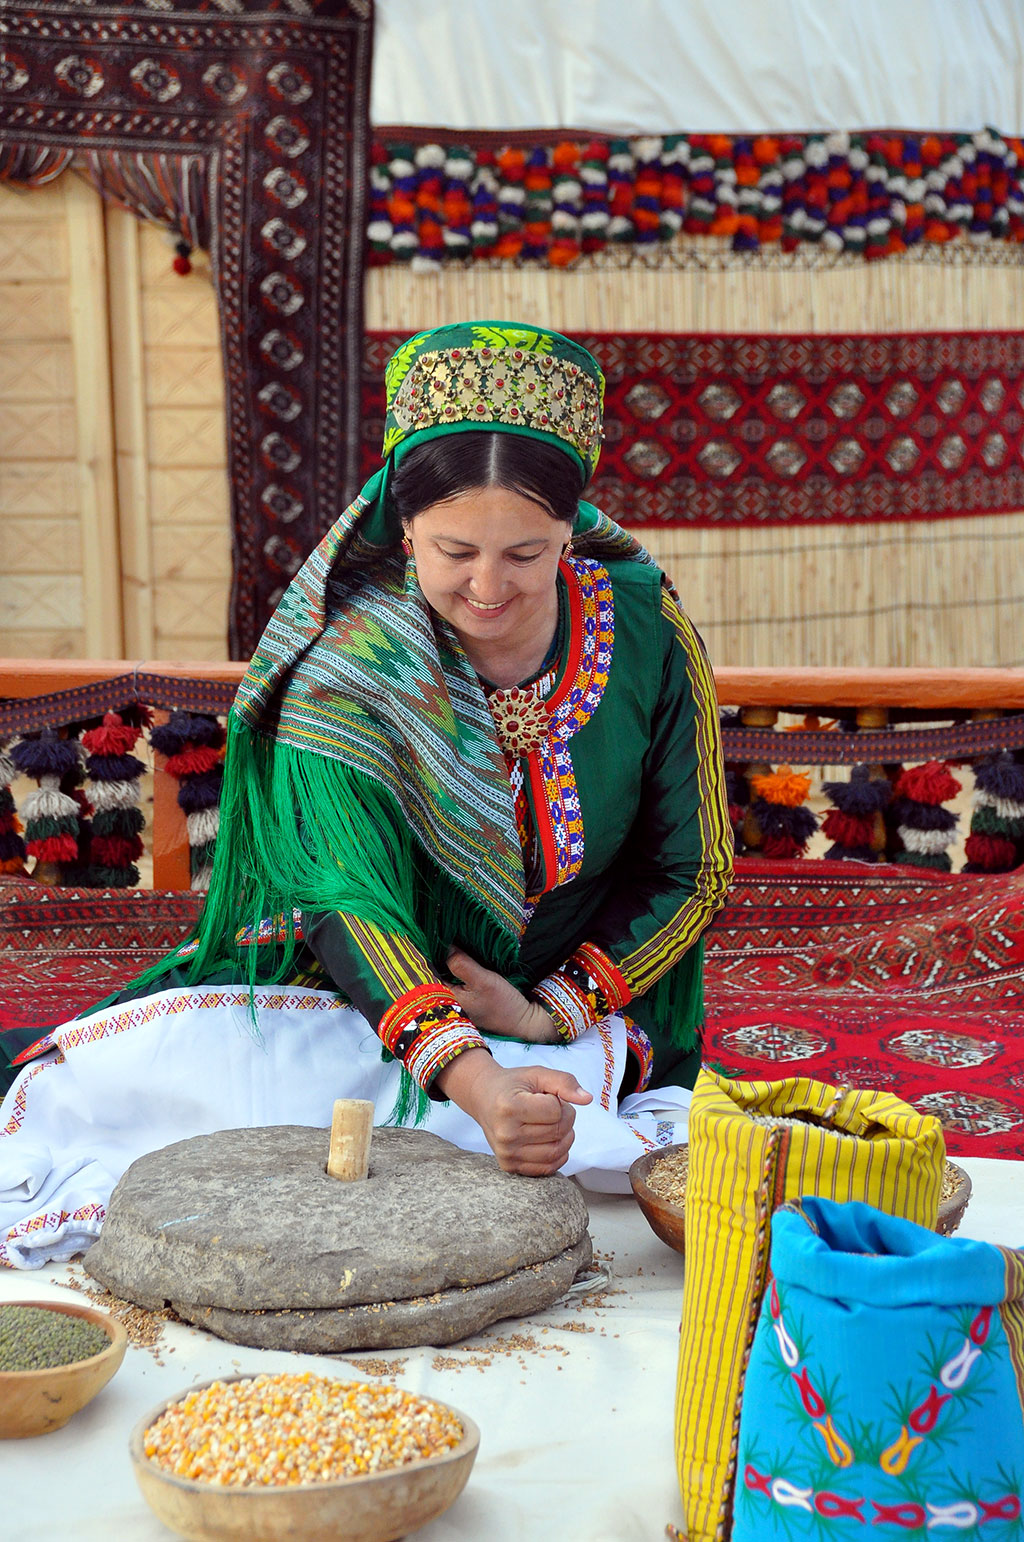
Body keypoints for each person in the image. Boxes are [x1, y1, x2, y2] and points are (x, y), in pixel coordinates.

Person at [0, 321, 732, 1268]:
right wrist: (472, 1078)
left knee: (581, 1113)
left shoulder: (644, 629)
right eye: (454, 549)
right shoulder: (347, 668)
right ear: (402, 524)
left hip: (583, 1004)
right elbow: (343, 904)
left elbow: (690, 866)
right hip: (363, 1004)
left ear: (571, 531)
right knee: (120, 1105)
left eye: (527, 554)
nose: (487, 586)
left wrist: (547, 1009)